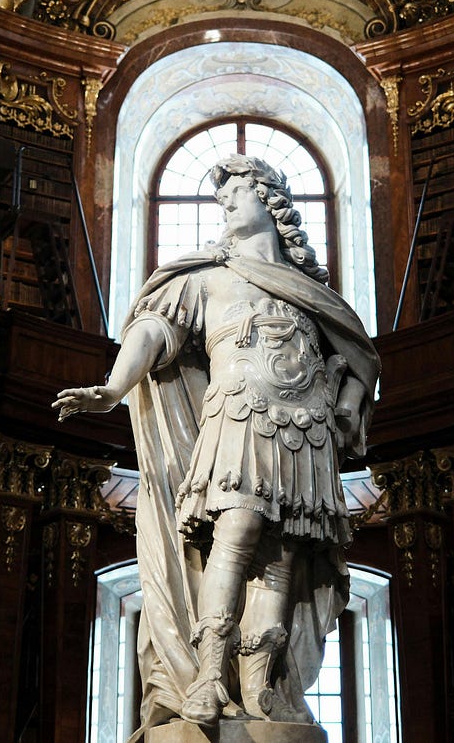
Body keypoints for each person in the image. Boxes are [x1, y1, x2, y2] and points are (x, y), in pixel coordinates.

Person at [55, 155, 379, 731]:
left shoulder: (307, 292)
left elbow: (358, 358)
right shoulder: (204, 276)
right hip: (238, 416)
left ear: (272, 201)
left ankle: (258, 684)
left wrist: (348, 410)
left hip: (303, 429)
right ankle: (209, 674)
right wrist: (113, 387)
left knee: (282, 554)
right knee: (235, 535)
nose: (225, 204)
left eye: (236, 193)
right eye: (220, 197)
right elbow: (156, 330)